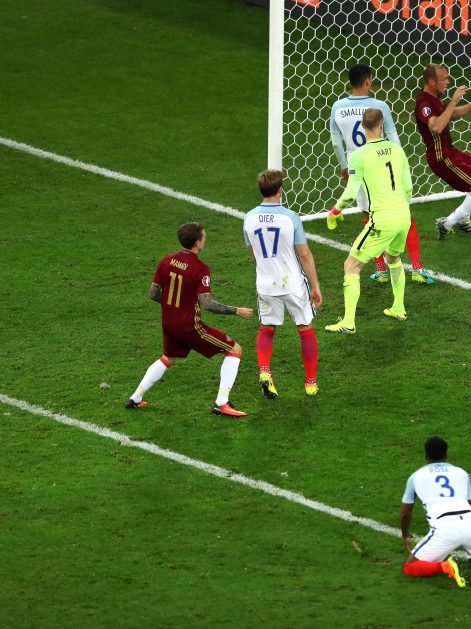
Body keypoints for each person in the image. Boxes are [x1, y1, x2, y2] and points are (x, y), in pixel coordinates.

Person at [126, 222, 253, 417]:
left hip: (169, 323)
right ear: (197, 242)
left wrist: (173, 306)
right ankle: (222, 402)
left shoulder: (166, 260)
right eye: (204, 237)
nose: (205, 239)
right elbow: (208, 304)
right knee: (234, 349)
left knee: (168, 357)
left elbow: (153, 293)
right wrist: (237, 311)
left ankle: (135, 398)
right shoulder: (200, 269)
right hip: (189, 326)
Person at [327, 64, 433, 285]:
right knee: (404, 215)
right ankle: (417, 268)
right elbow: (394, 138)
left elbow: (337, 143)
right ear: (367, 80)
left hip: (361, 169)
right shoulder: (380, 106)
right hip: (384, 166)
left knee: (369, 219)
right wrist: (399, 162)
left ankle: (381, 270)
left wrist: (345, 167)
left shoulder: (337, 107)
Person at [324, 108, 411, 334]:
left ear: (362, 126)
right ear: (382, 125)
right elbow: (409, 188)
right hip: (403, 215)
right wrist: (401, 211)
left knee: (351, 266)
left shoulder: (358, 155)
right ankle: (398, 307)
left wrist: (335, 210)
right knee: (393, 257)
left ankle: (349, 322)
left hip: (382, 219)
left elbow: (351, 193)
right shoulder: (397, 150)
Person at [243, 170, 323, 398]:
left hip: (266, 284)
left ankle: (265, 371)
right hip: (293, 284)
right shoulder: (290, 217)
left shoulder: (248, 218)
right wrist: (315, 286)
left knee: (267, 328)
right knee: (305, 328)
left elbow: (253, 254)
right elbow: (305, 255)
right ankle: (310, 383)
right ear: (280, 190)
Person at [400, 436, 471, 588]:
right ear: (446, 454)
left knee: (410, 567)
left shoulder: (416, 477)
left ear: (426, 455)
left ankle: (445, 566)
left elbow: (405, 513)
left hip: (445, 527)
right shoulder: (462, 473)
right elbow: (470, 503)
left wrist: (405, 534)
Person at [413, 64, 471, 239]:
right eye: (444, 79)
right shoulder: (424, 103)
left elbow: (452, 114)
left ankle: (463, 218)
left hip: (450, 152)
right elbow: (436, 126)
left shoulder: (435, 99)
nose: (448, 82)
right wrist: (453, 101)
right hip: (442, 158)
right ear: (432, 81)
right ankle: (447, 223)